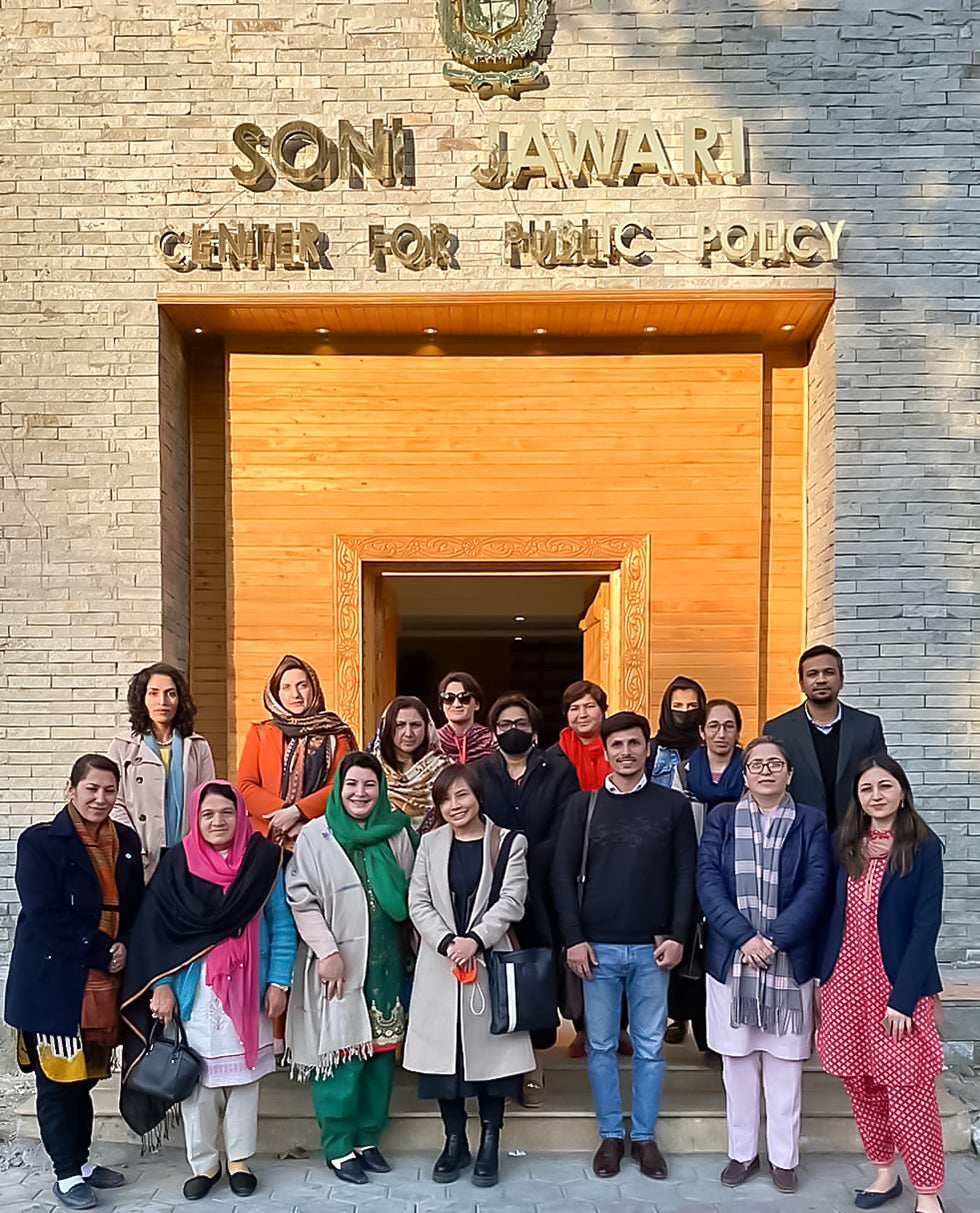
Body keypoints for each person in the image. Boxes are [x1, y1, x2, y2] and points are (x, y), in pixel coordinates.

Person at [119, 781, 292, 1201]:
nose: (218, 821)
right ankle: (205, 1163)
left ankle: (239, 1161)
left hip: (250, 988)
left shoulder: (262, 861)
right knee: (199, 1082)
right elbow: (156, 933)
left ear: (240, 814)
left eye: (227, 812)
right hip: (195, 993)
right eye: (208, 814)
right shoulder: (177, 864)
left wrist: (279, 981)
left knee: (245, 1082)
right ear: (195, 817)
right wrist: (161, 985)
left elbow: (283, 925)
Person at [552, 711, 697, 1182]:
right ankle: (611, 1134)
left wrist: (678, 934)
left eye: (635, 744)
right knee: (599, 1045)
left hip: (653, 951)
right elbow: (560, 874)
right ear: (607, 750)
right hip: (597, 951)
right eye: (617, 746)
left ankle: (645, 1138)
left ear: (647, 748)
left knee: (651, 1047)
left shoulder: (672, 806)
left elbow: (684, 876)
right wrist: (573, 938)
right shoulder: (583, 805)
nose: (626, 753)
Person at [5, 755, 144, 1211]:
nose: (101, 799)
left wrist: (124, 942)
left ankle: (80, 1163)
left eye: (109, 790)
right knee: (57, 1083)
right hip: (54, 981)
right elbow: (45, 914)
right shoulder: (41, 842)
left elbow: (133, 905)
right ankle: (65, 1173)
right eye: (92, 789)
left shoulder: (125, 840)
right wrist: (104, 950)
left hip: (102, 984)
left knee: (84, 1078)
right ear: (71, 790)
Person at [697, 736, 832, 1195]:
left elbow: (817, 884)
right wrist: (744, 938)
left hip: (788, 961)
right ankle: (742, 1154)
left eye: (776, 763)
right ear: (746, 774)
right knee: (736, 1064)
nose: (767, 770)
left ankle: (784, 1158)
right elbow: (708, 881)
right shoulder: (721, 819)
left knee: (784, 1065)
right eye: (757, 764)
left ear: (789, 774)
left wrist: (773, 940)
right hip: (732, 961)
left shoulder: (811, 821)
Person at [817, 756, 945, 1213]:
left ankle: (928, 1191)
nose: (876, 795)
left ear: (902, 791)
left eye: (885, 786)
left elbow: (926, 924)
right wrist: (823, 976)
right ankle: (884, 1172)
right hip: (846, 984)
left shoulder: (923, 847)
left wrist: (905, 998)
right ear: (858, 797)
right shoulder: (845, 844)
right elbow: (831, 915)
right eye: (866, 788)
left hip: (896, 989)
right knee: (862, 1083)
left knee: (908, 1087)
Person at [284, 752, 416, 1186]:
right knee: (342, 1058)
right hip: (338, 965)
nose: (360, 793)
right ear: (339, 789)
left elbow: (415, 893)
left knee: (379, 1058)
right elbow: (301, 898)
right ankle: (339, 1146)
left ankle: (366, 1138)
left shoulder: (396, 832)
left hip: (386, 964)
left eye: (369, 785)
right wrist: (326, 951)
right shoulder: (316, 836)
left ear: (381, 790)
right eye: (352, 785)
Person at [404, 763, 534, 1188]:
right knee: (446, 1063)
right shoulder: (429, 843)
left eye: (461, 795)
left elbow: (513, 900)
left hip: (488, 962)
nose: (454, 806)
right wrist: (446, 942)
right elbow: (417, 901)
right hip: (441, 967)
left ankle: (491, 1141)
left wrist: (474, 940)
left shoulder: (508, 842)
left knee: (493, 1063)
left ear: (477, 795)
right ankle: (454, 1140)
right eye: (445, 799)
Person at [475, 693, 579, 1105]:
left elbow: (567, 825)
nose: (511, 731)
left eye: (520, 724)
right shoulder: (480, 772)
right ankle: (497, 1072)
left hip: (543, 887)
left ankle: (535, 1067)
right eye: (503, 725)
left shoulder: (557, 770)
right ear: (494, 731)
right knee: (495, 976)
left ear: (534, 730)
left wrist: (526, 856)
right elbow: (472, 821)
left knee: (536, 976)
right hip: (489, 889)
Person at [665, 698, 745, 1049]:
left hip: (740, 872)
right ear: (702, 731)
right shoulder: (684, 771)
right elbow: (672, 822)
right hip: (692, 868)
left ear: (738, 732)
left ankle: (725, 1033)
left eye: (728, 726)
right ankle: (688, 1022)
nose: (721, 733)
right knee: (691, 950)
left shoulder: (749, 770)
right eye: (714, 726)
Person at [764, 644, 887, 832]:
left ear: (841, 680)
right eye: (812, 674)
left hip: (856, 833)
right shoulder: (777, 729)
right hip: (797, 833)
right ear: (802, 684)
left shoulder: (867, 726)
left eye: (829, 672)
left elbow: (882, 778)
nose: (821, 679)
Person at [109, 662, 215, 877]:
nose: (162, 702)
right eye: (153, 693)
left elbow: (208, 799)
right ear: (142, 699)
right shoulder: (122, 746)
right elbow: (114, 801)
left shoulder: (197, 745)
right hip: (141, 849)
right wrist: (132, 841)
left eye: (171, 694)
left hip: (187, 850)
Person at [237, 654, 356, 846]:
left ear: (314, 688)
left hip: (320, 836)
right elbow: (245, 786)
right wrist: (282, 814)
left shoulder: (336, 734)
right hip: (264, 839)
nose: (295, 695)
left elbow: (339, 785)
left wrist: (298, 813)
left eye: (302, 685)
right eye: (286, 687)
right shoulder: (259, 733)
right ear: (275, 693)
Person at [370, 695, 447, 828]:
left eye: (415, 725)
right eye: (400, 725)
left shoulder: (445, 771)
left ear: (427, 727)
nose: (408, 733)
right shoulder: (371, 769)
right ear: (387, 728)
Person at [546, 679, 611, 791]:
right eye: (574, 708)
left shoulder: (619, 748)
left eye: (590, 706)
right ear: (566, 714)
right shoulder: (551, 758)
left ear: (603, 710)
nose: (582, 715)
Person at [648, 676, 707, 787]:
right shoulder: (651, 750)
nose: (685, 710)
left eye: (692, 705)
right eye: (677, 706)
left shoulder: (709, 750)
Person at [435, 671, 497, 765]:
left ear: (477, 704)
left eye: (464, 698)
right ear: (441, 705)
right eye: (449, 698)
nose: (456, 704)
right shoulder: (432, 742)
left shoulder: (492, 741)